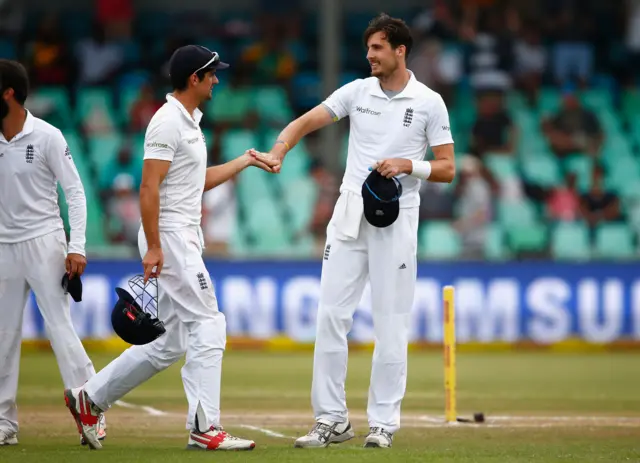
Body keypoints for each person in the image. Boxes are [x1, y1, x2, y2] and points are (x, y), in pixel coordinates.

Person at [253, 13, 455, 448]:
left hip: (396, 217)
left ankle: (382, 423)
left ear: (400, 50)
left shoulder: (428, 101)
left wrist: (408, 165)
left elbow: (448, 168)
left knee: (391, 323)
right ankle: (331, 420)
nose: (370, 56)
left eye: (378, 48)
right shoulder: (357, 91)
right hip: (348, 214)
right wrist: (279, 149)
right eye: (368, 49)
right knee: (330, 317)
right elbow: (306, 121)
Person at [63, 45, 278, 451]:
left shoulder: (189, 123)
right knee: (210, 323)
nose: (217, 79)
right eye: (212, 74)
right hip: (172, 235)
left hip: (180, 235)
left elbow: (195, 182)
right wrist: (155, 246)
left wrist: (246, 161)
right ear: (193, 78)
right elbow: (148, 186)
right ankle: (205, 427)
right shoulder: (167, 123)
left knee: (170, 343)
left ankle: (89, 398)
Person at [0, 59, 103, 446]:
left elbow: (74, 192)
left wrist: (76, 246)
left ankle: (93, 407)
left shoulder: (47, 136)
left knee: (59, 328)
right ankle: (4, 423)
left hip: (45, 241)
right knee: (3, 335)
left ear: (8, 92)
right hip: (3, 246)